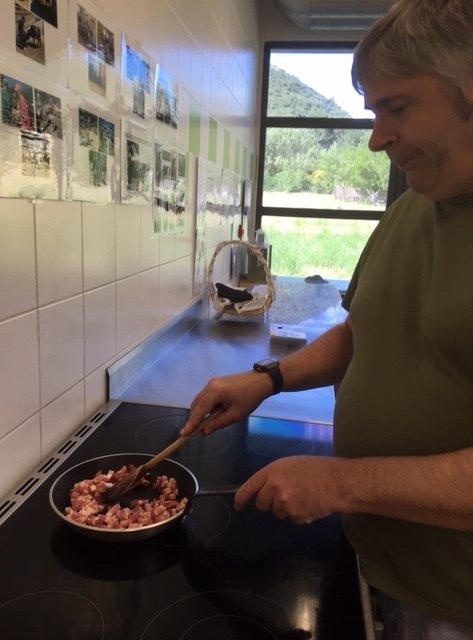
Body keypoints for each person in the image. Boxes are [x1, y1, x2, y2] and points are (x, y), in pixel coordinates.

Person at [180, 1, 473, 637]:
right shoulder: (413, 206)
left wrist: (344, 484)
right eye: (373, 113)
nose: (377, 138)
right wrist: (266, 380)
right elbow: (364, 333)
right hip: (376, 556)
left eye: (398, 108)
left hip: (454, 601)